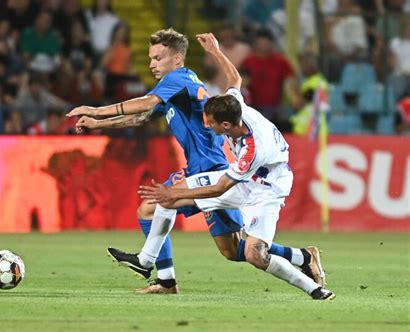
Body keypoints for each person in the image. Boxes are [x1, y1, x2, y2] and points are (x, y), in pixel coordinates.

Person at [68, 28, 325, 294]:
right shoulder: (177, 86)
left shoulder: (177, 79)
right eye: (151, 58)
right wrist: (99, 124)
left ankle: (156, 271)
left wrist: (95, 109)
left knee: (152, 207)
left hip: (211, 167)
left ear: (177, 58)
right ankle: (304, 257)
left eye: (158, 57)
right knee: (233, 250)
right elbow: (143, 116)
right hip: (205, 166)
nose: (152, 64)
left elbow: (146, 104)